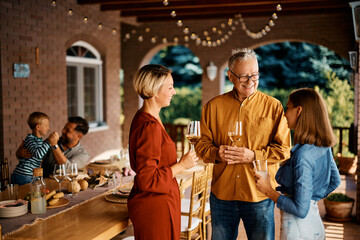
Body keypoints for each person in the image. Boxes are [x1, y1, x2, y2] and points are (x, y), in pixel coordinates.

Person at [195, 48, 291, 240]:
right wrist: (216, 153)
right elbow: (201, 146)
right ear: (230, 76)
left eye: (254, 75)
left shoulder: (273, 106)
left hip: (259, 195)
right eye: (243, 76)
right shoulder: (213, 107)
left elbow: (284, 150)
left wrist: (254, 155)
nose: (250, 81)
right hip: (222, 195)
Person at [255, 88, 341, 240]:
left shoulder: (303, 156)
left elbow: (300, 210)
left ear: (299, 110)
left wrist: (269, 191)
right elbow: (335, 181)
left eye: (288, 108)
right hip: (314, 225)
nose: (285, 114)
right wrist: (310, 198)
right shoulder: (323, 146)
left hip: (297, 229)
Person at [127, 64, 198, 239]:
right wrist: (182, 165)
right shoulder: (149, 126)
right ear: (154, 90)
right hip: (154, 207)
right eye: (170, 87)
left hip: (162, 201)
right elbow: (147, 179)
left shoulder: (149, 117)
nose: (174, 92)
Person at [17, 116, 90, 178]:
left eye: (68, 130)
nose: (63, 131)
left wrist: (54, 146)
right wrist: (19, 153)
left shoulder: (83, 155)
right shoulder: (51, 141)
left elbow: (66, 168)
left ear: (79, 136)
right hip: (44, 185)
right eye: (64, 127)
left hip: (65, 188)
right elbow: (34, 155)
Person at [11, 112, 59, 185]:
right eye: (46, 126)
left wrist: (50, 140)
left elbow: (41, 148)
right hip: (23, 175)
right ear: (38, 127)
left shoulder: (38, 140)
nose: (48, 128)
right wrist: (49, 141)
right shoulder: (30, 139)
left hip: (30, 175)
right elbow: (38, 154)